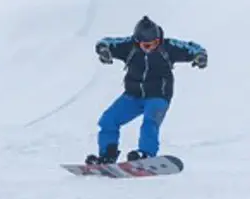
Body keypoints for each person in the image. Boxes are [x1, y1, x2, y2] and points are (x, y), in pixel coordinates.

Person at [85, 15, 207, 164]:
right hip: (133, 95)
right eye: (146, 45)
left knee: (150, 123)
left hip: (158, 95)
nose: (151, 48)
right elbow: (106, 43)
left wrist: (199, 56)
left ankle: (146, 154)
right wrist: (104, 50)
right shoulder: (129, 46)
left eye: (155, 43)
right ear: (137, 42)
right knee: (108, 120)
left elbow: (193, 48)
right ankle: (107, 154)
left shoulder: (167, 47)